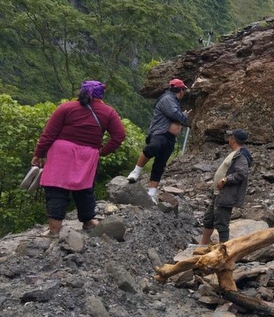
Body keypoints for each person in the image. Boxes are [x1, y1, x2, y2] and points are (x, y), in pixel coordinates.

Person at [32, 81, 126, 236]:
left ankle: (54, 230)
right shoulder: (108, 112)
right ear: (100, 95)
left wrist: (39, 154)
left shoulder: (66, 108)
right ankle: (88, 221)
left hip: (60, 153)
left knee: (56, 189)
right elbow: (119, 135)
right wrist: (103, 151)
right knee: (85, 189)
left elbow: (48, 134)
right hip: (87, 156)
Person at [127, 78, 191, 203]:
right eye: (184, 90)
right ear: (181, 90)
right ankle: (135, 172)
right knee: (153, 148)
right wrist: (184, 116)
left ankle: (151, 193)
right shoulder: (167, 98)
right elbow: (175, 114)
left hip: (170, 137)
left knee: (160, 164)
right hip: (160, 133)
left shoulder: (175, 101)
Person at [199, 129, 253, 245]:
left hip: (226, 194)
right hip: (218, 193)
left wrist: (226, 179)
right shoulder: (235, 152)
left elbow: (241, 174)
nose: (228, 139)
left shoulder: (241, 155)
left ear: (233, 140)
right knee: (209, 219)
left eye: (230, 137)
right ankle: (202, 246)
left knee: (222, 223)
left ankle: (224, 251)